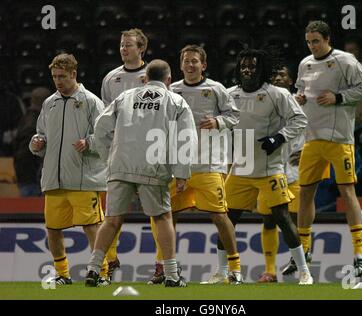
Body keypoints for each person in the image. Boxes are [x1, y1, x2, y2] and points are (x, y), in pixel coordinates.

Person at [85, 59, 197, 287]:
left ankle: (94, 269)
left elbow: (100, 127)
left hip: (120, 164)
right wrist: (182, 172)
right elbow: (186, 138)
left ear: (145, 78)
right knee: (162, 217)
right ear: (168, 80)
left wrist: (109, 154)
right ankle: (172, 274)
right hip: (153, 167)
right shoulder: (176, 100)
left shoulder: (125, 97)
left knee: (112, 220)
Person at [212, 48, 313, 285]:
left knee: (281, 217)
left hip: (269, 168)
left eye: (253, 66)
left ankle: (304, 272)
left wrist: (278, 138)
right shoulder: (229, 95)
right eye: (244, 66)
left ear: (262, 70)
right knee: (226, 220)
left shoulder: (277, 94)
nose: (248, 70)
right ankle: (221, 271)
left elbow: (299, 119)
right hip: (240, 168)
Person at [148, 45, 243, 285]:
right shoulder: (172, 90)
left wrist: (218, 121)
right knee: (166, 216)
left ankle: (235, 269)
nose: (190, 65)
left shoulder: (216, 89)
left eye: (195, 61)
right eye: (187, 61)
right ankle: (164, 267)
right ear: (180, 66)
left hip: (209, 164)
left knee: (220, 216)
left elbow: (234, 115)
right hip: (177, 167)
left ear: (204, 65)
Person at [294, 21, 362, 278]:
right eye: (309, 41)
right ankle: (303, 252)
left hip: (339, 139)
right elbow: (300, 90)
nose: (312, 46)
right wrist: (300, 98)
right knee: (305, 194)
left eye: (316, 40)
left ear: (327, 39)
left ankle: (359, 254)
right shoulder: (305, 63)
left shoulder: (345, 61)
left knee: (346, 192)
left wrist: (338, 97)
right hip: (312, 138)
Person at [29, 53, 109, 285]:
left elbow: (105, 136)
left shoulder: (92, 101)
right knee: (53, 229)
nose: (58, 81)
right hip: (55, 179)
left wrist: (89, 143)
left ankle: (101, 273)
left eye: (62, 76)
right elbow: (41, 135)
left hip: (85, 179)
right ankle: (63, 274)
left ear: (74, 74)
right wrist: (36, 144)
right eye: (54, 77)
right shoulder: (49, 103)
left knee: (92, 227)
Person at [100, 27, 148, 280]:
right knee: (114, 213)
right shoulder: (111, 79)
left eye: (128, 45)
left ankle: (162, 267)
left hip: (149, 155)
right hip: (120, 154)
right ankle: (110, 262)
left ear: (142, 49)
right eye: (121, 44)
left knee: (158, 212)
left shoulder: (154, 76)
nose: (123, 49)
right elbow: (105, 118)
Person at [256, 65, 308, 282]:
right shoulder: (262, 103)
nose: (278, 78)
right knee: (269, 219)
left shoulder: (304, 102)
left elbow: (320, 128)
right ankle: (270, 271)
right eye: (274, 74)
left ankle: (304, 269)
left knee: (296, 221)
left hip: (296, 171)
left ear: (291, 80)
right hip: (269, 170)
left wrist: (309, 150)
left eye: (283, 75)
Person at [13, 87, 51, 197]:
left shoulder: (25, 118)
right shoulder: (35, 124)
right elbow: (26, 154)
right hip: (32, 179)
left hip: (26, 177)